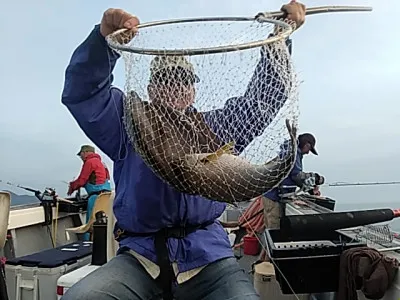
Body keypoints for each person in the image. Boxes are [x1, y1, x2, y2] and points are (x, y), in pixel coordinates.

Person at [61, 2, 306, 299]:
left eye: (185, 80)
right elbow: (83, 93)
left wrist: (279, 39)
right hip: (140, 258)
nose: (177, 87)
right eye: (167, 81)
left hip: (209, 257)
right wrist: (102, 42)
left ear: (194, 89)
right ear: (151, 88)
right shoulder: (129, 123)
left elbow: (262, 99)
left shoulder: (216, 126)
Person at [262, 133, 325, 230]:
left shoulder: (291, 152)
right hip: (273, 197)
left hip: (276, 195)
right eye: (309, 149)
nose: (308, 153)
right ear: (307, 145)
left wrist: (311, 190)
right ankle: (271, 244)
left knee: (275, 225)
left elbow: (294, 176)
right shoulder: (293, 153)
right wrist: (316, 178)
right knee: (273, 228)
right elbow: (297, 176)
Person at [68, 145, 112, 240]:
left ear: (85, 152)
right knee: (102, 222)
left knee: (89, 225)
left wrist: (72, 187)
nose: (81, 157)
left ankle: (87, 244)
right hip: (106, 198)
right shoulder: (102, 164)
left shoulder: (89, 162)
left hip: (95, 198)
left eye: (81, 155)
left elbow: (82, 180)